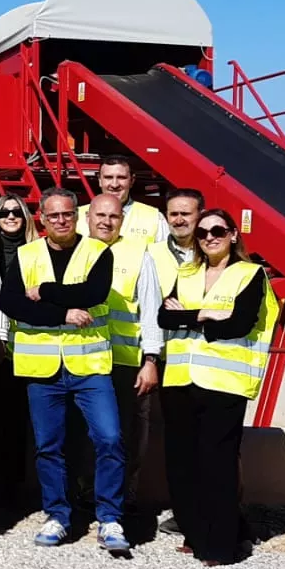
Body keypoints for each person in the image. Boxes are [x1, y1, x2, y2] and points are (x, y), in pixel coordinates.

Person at [0, 188, 131, 553]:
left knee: (109, 439)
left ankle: (110, 518)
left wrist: (45, 290)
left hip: (90, 365)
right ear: (41, 218)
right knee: (48, 446)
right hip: (42, 369)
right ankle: (58, 515)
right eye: (53, 215)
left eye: (67, 214)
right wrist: (62, 313)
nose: (61, 220)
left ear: (78, 216)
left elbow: (93, 294)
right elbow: (10, 303)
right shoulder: (26, 255)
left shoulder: (98, 252)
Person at [159, 207, 276, 566]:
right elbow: (164, 316)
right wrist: (204, 314)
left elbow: (239, 324)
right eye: (203, 232)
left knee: (218, 464)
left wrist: (186, 317)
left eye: (218, 231)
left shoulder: (250, 275)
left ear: (233, 235)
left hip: (224, 383)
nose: (209, 237)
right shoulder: (187, 272)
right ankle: (196, 534)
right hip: (180, 379)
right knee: (182, 464)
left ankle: (221, 546)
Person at [85, 193, 165, 509]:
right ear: (88, 218)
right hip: (81, 360)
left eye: (113, 217)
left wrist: (150, 360)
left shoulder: (138, 255)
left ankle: (119, 498)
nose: (106, 222)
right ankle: (84, 494)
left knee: (122, 435)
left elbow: (151, 312)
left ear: (122, 220)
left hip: (123, 362)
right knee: (83, 434)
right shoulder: (75, 251)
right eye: (100, 215)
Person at [151, 187, 205, 535]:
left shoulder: (215, 253)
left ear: (200, 216)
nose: (180, 219)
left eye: (187, 213)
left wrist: (186, 313)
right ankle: (185, 515)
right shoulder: (153, 253)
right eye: (174, 213)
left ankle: (220, 511)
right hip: (169, 360)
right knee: (179, 444)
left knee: (213, 444)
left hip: (210, 361)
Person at [0, 193, 36, 510]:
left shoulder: (38, 250)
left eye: (17, 212)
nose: (11, 217)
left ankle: (15, 491)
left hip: (32, 344)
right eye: (4, 213)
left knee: (20, 420)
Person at [77, 156, 166, 243]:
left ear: (132, 181)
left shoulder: (155, 218)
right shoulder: (77, 217)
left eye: (121, 178)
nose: (114, 184)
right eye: (108, 177)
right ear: (100, 180)